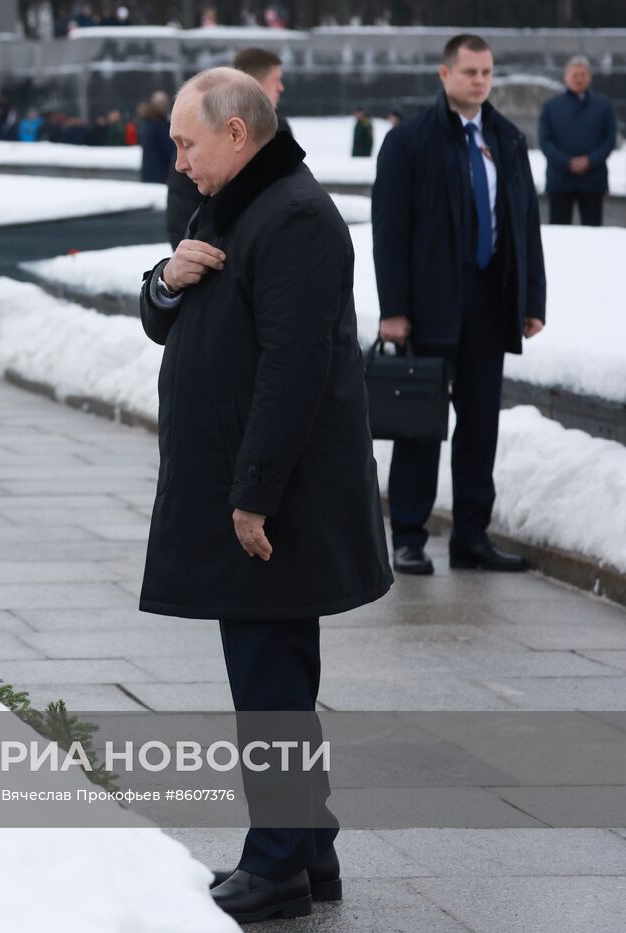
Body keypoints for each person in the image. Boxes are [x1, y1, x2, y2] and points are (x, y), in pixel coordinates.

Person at [139, 67, 391, 924]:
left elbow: (296, 369)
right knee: (274, 670)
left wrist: (252, 496)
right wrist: (167, 280)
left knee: (269, 679)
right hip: (252, 485)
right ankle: (309, 850)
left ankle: (278, 863)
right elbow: (169, 310)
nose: (178, 161)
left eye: (186, 142)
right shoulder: (241, 201)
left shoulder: (293, 217)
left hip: (279, 500)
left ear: (237, 134)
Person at [372, 34, 547, 575]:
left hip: (490, 304)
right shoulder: (410, 142)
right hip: (429, 304)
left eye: (486, 72)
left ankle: (472, 537)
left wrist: (531, 299)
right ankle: (408, 535)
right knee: (420, 422)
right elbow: (390, 228)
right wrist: (394, 308)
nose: (479, 81)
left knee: (480, 426)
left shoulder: (507, 139)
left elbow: (525, 226)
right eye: (469, 71)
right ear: (444, 75)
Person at [167, 47, 289, 249]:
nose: (281, 88)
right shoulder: (198, 128)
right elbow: (182, 202)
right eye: (276, 79)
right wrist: (172, 271)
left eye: (187, 145)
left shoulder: (295, 213)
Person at [539, 56, 618, 226]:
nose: (579, 78)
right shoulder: (551, 107)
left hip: (593, 180)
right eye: (575, 74)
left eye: (582, 74)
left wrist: (589, 161)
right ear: (566, 77)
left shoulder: (603, 106)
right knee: (559, 231)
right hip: (560, 180)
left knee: (593, 233)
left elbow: (609, 139)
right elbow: (545, 141)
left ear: (589, 77)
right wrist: (567, 163)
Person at [139, 91, 174, 183]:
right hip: (161, 175)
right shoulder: (160, 125)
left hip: (149, 174)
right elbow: (168, 150)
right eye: (163, 103)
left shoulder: (147, 122)